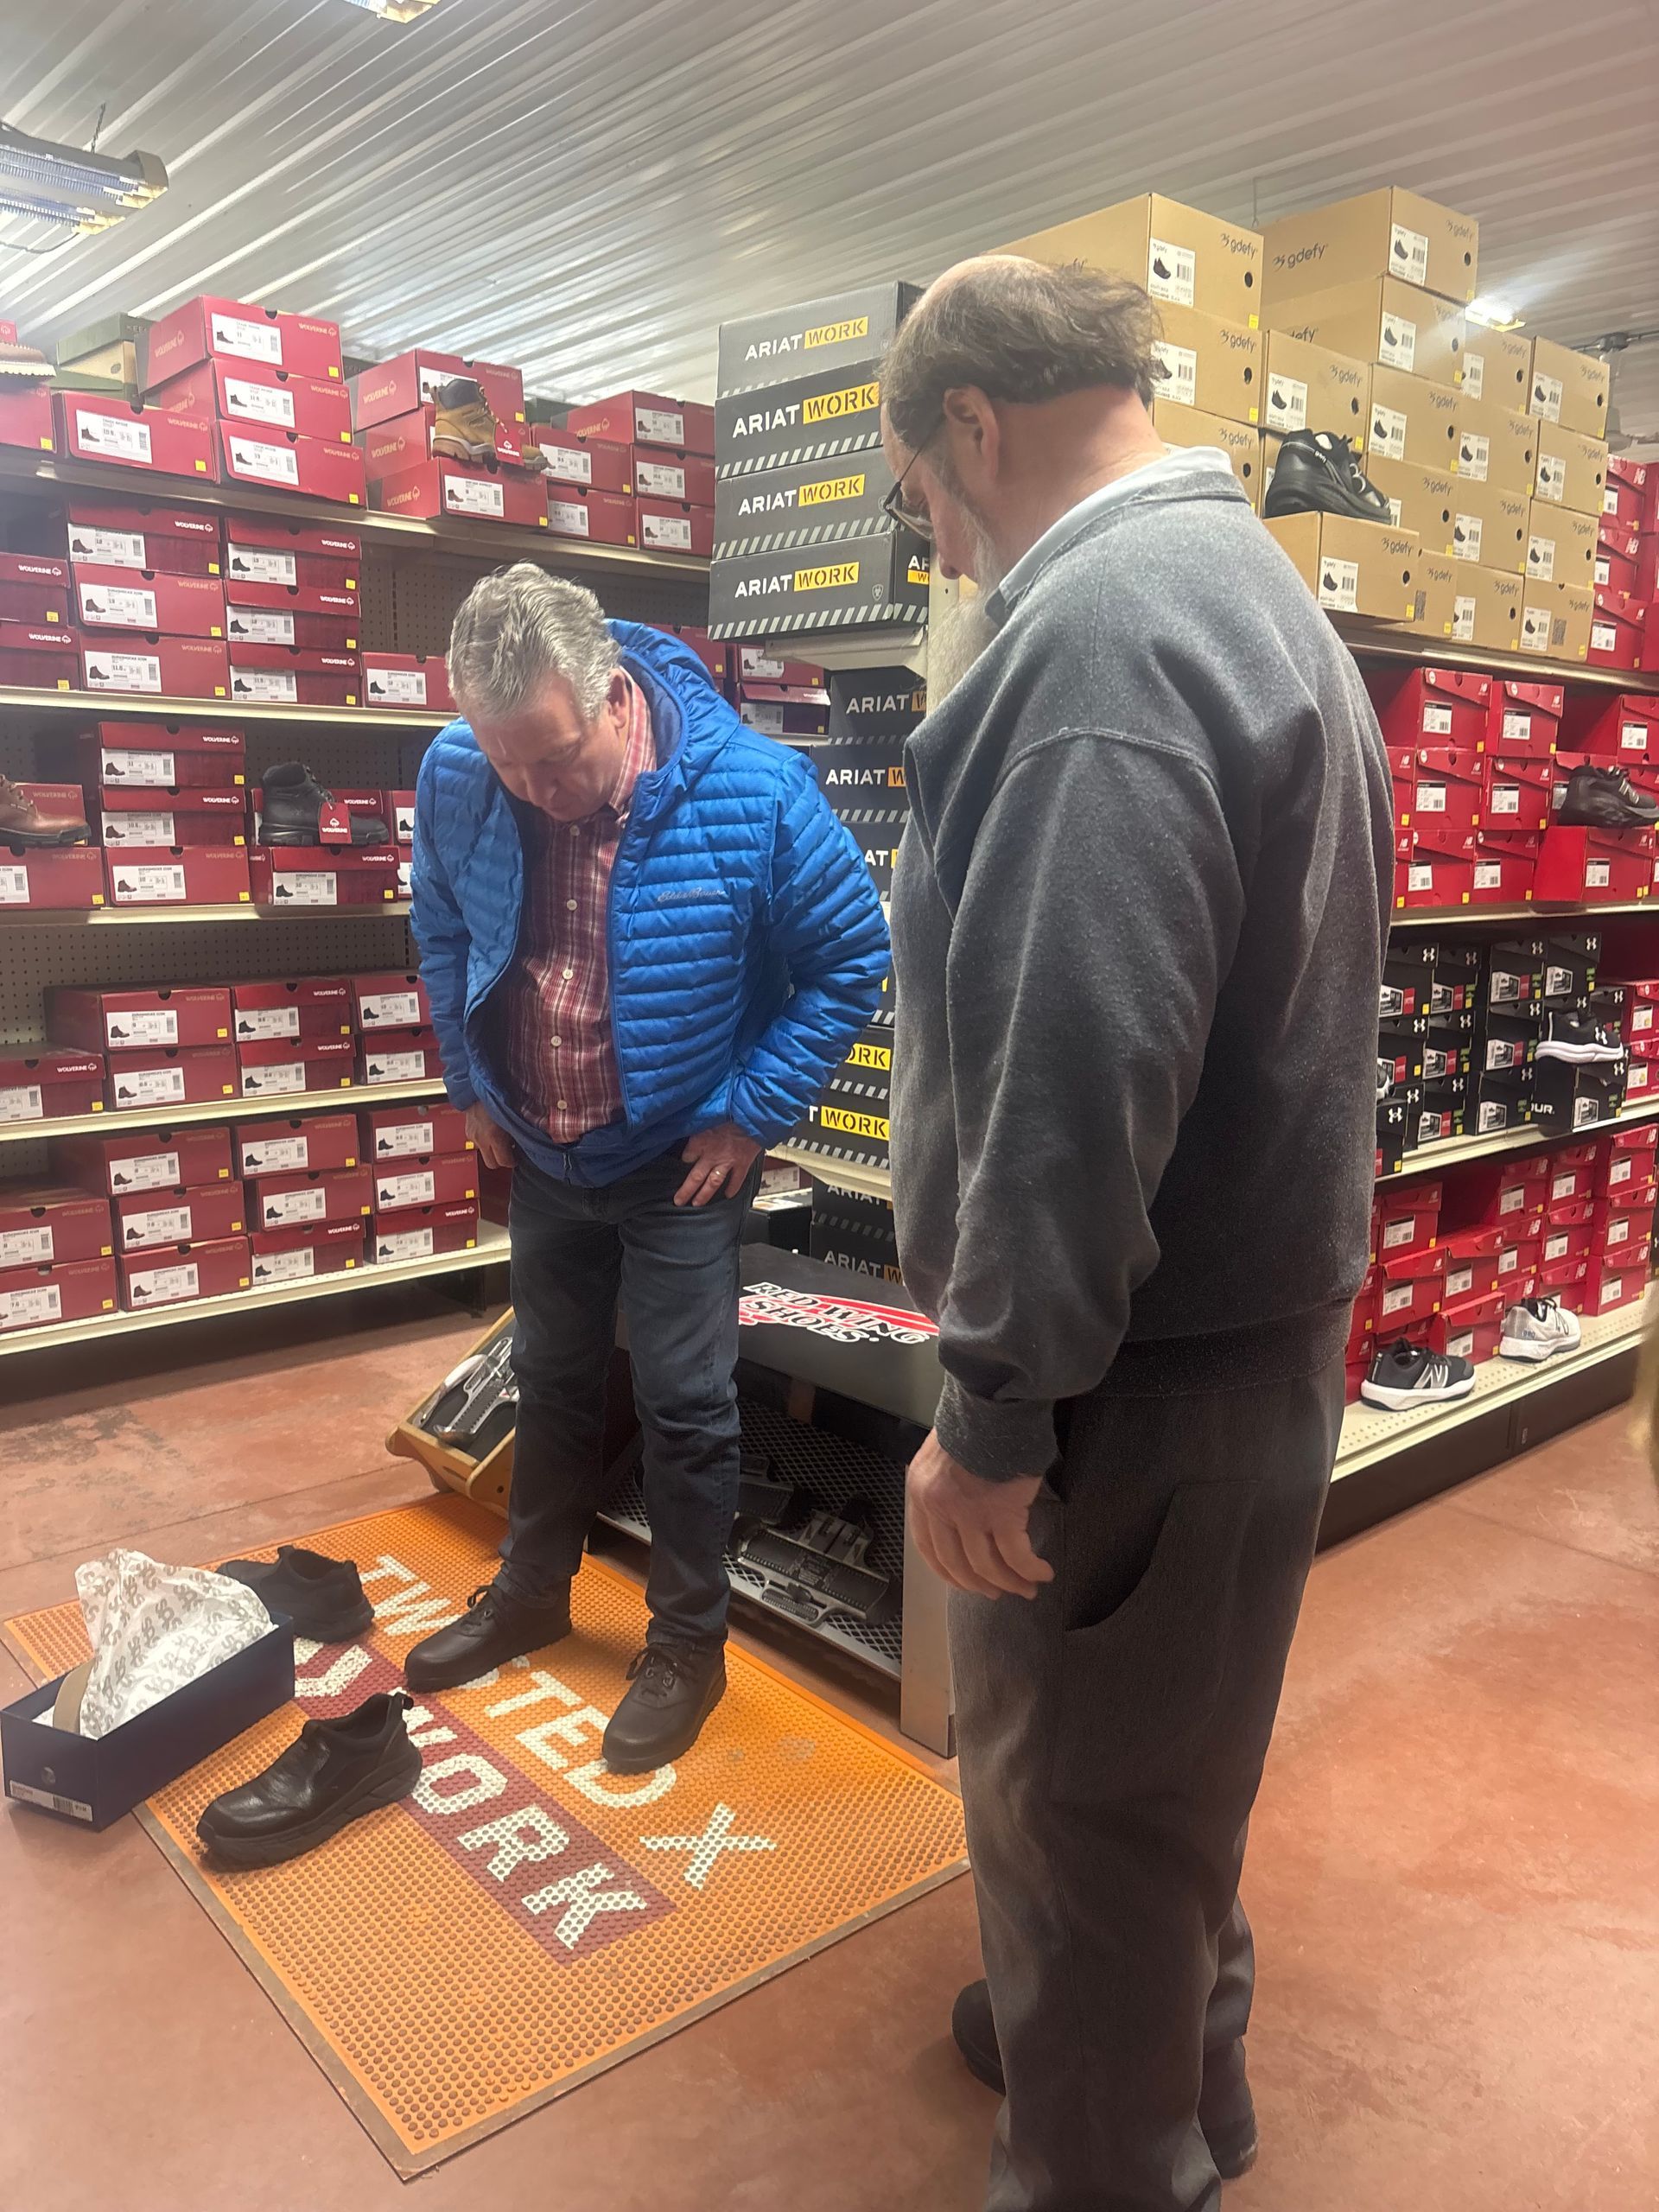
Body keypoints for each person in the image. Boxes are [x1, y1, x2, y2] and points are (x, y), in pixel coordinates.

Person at [880, 257, 1394, 2211]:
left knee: (1081, 1801)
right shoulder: (1254, 593)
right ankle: (1190, 2080)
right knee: (1164, 1775)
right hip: (1239, 1345)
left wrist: (996, 1402)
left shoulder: (1096, 639)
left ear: (977, 431)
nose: (932, 534)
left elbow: (1079, 1060)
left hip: (1127, 1383)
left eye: (924, 490)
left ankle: (1107, 2154)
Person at [405, 565, 888, 1770]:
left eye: (555, 759)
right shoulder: (463, 772)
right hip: (541, 1141)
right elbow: (442, 926)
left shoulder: (755, 791)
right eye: (507, 762)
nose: (536, 790)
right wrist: (472, 1087)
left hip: (678, 1159)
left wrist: (750, 1117)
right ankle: (529, 1595)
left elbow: (852, 961)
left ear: (616, 698)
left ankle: (687, 1646)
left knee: (683, 1403)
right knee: (553, 1378)